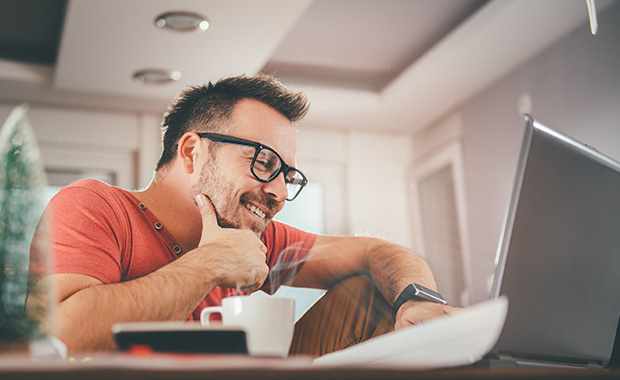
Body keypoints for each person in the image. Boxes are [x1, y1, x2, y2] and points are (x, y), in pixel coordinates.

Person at [27, 74, 459, 354]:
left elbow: (377, 253)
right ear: (193, 152)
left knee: (377, 292)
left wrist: (417, 299)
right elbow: (60, 332)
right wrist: (212, 263)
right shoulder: (96, 206)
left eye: (288, 175)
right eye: (264, 163)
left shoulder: (255, 240)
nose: (279, 193)